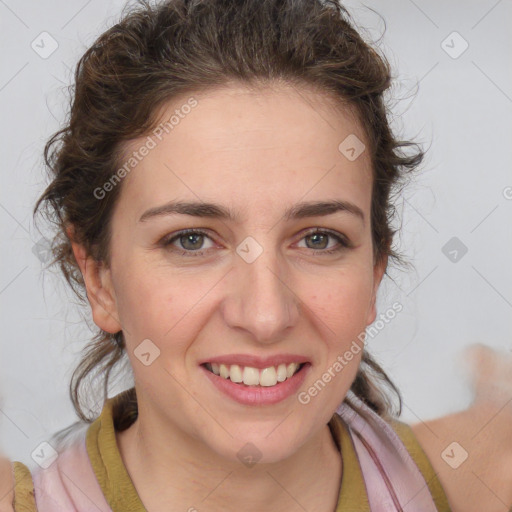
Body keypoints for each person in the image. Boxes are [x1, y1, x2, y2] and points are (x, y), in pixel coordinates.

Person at [1, 0, 511, 510]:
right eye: (192, 240)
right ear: (99, 279)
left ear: (375, 272)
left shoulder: (477, 483)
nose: (266, 316)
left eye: (318, 239)